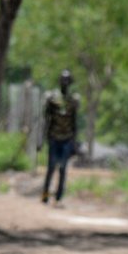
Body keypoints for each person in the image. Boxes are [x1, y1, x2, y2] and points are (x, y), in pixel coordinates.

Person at [41, 70, 78, 204]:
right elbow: (46, 120)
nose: (65, 83)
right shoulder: (52, 98)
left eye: (67, 80)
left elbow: (74, 122)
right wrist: (42, 139)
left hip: (67, 138)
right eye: (63, 79)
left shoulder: (73, 100)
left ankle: (58, 196)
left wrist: (74, 142)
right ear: (59, 81)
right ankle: (45, 193)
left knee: (63, 168)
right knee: (51, 167)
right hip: (54, 137)